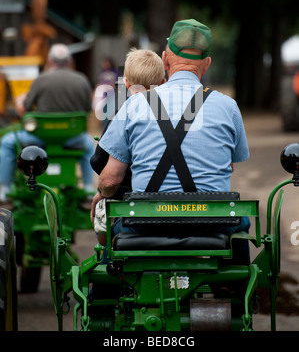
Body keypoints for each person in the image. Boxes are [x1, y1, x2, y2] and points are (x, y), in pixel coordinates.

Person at [92, 19, 250, 264]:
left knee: (109, 246)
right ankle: (235, 289)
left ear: (165, 60)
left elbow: (111, 179)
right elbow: (228, 165)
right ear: (207, 64)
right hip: (213, 222)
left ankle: (102, 294)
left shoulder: (136, 103)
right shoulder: (227, 106)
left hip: (145, 222)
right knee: (242, 222)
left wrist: (101, 194)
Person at [0, 43, 95, 203]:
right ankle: (87, 188)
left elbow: (26, 108)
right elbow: (87, 110)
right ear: (69, 61)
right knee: (89, 145)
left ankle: (5, 189)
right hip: (72, 138)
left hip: (41, 138)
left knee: (7, 142)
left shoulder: (41, 79)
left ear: (50, 61)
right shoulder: (82, 80)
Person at [91, 47, 166, 245]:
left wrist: (100, 194)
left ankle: (108, 260)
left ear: (125, 83)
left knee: (103, 219)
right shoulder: (177, 116)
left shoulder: (122, 115)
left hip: (133, 203)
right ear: (164, 83)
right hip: (182, 204)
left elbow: (101, 164)